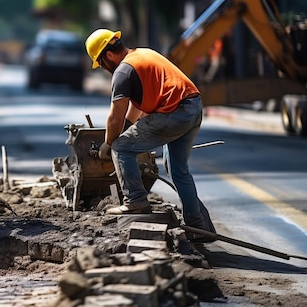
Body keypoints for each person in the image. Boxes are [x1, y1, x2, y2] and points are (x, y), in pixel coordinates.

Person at [84, 29, 215, 235]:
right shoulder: (142, 55)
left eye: (100, 63)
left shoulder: (123, 71)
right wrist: (126, 131)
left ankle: (135, 200)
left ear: (108, 55)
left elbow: (115, 116)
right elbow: (136, 110)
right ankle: (198, 227)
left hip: (176, 112)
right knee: (177, 170)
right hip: (193, 107)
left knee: (122, 148)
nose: (102, 68)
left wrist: (109, 144)